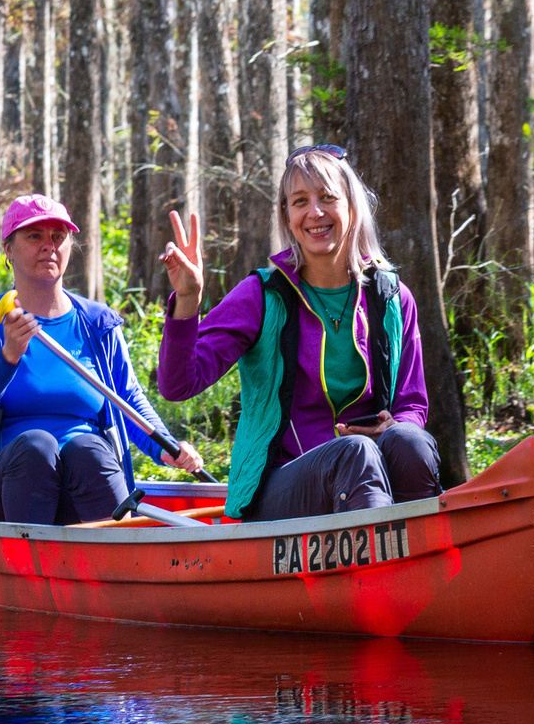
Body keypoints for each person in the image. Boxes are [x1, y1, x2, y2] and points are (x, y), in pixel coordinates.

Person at [156, 146, 441, 521]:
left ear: (352, 209)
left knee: (410, 442)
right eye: (300, 201)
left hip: (372, 478)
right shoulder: (261, 295)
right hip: (278, 490)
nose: (315, 213)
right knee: (355, 453)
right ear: (287, 217)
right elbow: (179, 385)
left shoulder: (391, 298)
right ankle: (378, 572)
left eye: (327, 198)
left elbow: (412, 403)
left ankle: (425, 560)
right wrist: (189, 297)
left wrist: (396, 425)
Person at [0, 194, 199, 523]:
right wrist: (7, 356)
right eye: (34, 236)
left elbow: (127, 398)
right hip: (8, 490)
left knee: (89, 449)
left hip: (83, 479)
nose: (48, 245)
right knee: (37, 447)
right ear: (8, 249)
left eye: (58, 236)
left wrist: (163, 445)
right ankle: (26, 561)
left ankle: (117, 558)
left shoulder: (98, 322)